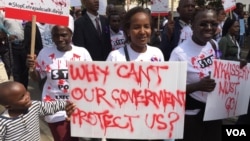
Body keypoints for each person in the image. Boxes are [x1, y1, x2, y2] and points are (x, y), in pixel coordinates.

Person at [106, 6, 173, 141]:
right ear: (128, 31)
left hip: (152, 123)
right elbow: (105, 93)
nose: (142, 32)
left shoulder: (157, 53)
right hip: (125, 125)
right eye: (136, 27)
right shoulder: (115, 57)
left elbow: (163, 87)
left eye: (146, 26)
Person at [27, 25, 92, 141]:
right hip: (55, 108)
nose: (60, 39)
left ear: (71, 35)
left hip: (78, 106)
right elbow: (37, 77)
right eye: (56, 36)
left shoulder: (82, 52)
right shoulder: (45, 52)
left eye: (64, 35)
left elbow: (91, 78)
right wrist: (31, 68)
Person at [169, 8, 221, 141]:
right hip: (191, 118)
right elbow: (170, 90)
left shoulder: (213, 44)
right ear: (192, 24)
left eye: (213, 24)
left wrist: (239, 68)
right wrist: (197, 86)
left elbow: (220, 70)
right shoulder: (179, 53)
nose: (209, 28)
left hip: (213, 113)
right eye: (203, 24)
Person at [0, 81, 76, 141]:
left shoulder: (34, 106)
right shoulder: (3, 123)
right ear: (9, 106)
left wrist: (67, 104)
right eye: (22, 97)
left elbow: (51, 106)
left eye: (26, 92)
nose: (27, 96)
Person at [0, 10, 27, 88]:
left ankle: (24, 88)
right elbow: (1, 28)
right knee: (14, 69)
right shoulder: (3, 14)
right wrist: (8, 36)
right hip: (10, 45)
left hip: (24, 45)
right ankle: (16, 89)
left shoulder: (22, 14)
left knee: (25, 69)